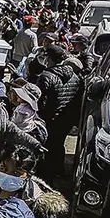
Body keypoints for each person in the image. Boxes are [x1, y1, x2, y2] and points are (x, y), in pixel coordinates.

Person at [36, 45, 84, 180]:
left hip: (49, 119)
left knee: (47, 147)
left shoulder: (46, 76)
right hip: (66, 120)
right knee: (59, 144)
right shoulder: (76, 77)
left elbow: (39, 100)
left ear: (49, 59)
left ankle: (47, 176)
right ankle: (59, 171)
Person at [7, 79, 48, 147]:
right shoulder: (30, 109)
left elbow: (15, 123)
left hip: (22, 133)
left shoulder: (22, 110)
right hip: (30, 131)